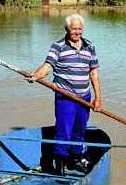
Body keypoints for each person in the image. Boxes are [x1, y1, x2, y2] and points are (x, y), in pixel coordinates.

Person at [25, 14, 102, 175]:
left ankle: (74, 160)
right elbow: (47, 66)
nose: (77, 32)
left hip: (84, 97)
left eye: (80, 29)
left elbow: (93, 73)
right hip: (65, 97)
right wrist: (37, 75)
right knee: (63, 131)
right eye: (74, 29)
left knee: (80, 130)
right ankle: (59, 163)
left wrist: (98, 98)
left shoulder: (89, 46)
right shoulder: (58, 46)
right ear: (66, 29)